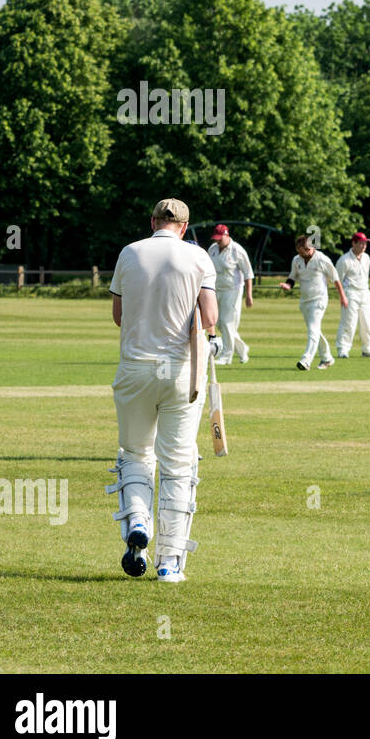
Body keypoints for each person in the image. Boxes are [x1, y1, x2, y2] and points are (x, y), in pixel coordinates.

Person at [108, 197, 218, 582]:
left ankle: (139, 520)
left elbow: (119, 316)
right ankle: (169, 563)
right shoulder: (199, 257)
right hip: (181, 372)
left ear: (152, 220)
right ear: (184, 227)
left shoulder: (129, 252)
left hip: (135, 368)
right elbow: (210, 317)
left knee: (136, 453)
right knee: (177, 464)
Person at [280, 234, 348, 370]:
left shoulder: (322, 259)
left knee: (312, 329)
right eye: (299, 251)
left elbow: (335, 278)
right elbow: (292, 277)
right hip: (305, 301)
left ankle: (306, 360)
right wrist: (288, 286)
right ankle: (327, 358)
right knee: (315, 331)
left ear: (310, 248)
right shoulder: (297, 260)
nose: (301, 254)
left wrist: (342, 296)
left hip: (319, 300)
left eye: (303, 251)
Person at [207, 224, 254, 365]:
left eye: (220, 239)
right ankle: (242, 350)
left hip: (233, 290)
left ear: (227, 235)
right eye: (216, 239)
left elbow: (248, 273)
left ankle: (227, 356)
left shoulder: (237, 250)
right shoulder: (212, 249)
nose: (217, 241)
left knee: (227, 323)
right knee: (219, 323)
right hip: (216, 289)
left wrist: (249, 295)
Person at [335, 232, 370, 359]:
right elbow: (337, 280)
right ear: (353, 243)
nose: (363, 246)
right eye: (360, 243)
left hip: (364, 292)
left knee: (366, 322)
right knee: (349, 322)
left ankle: (368, 349)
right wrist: (342, 296)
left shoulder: (367, 258)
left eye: (365, 243)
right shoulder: (344, 260)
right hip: (350, 293)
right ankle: (343, 348)